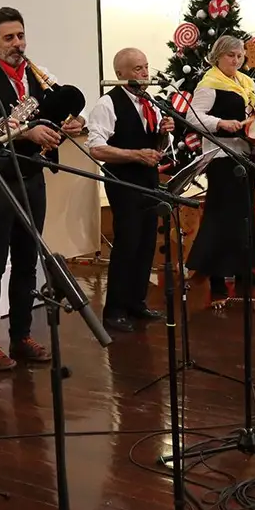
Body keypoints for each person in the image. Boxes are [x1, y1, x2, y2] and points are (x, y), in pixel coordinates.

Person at [0, 7, 85, 369]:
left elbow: (67, 106)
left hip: (32, 175)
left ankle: (21, 336)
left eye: (21, 36)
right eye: (9, 38)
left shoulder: (38, 73)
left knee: (28, 262)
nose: (18, 44)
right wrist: (27, 131)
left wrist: (74, 122)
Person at [185, 35, 255, 301]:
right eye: (230, 56)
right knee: (222, 216)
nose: (235, 60)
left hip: (244, 156)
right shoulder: (209, 84)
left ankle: (243, 270)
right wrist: (220, 123)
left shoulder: (243, 80)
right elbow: (193, 116)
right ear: (217, 57)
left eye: (239, 56)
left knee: (243, 215)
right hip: (222, 157)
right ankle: (216, 277)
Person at [87, 47, 173, 332]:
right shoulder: (107, 104)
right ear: (120, 74)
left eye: (146, 67)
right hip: (123, 183)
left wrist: (162, 134)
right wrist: (135, 155)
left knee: (147, 242)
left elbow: (156, 150)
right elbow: (96, 147)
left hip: (149, 181)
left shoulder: (150, 103)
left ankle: (137, 302)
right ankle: (114, 310)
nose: (145, 74)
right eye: (138, 69)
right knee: (127, 244)